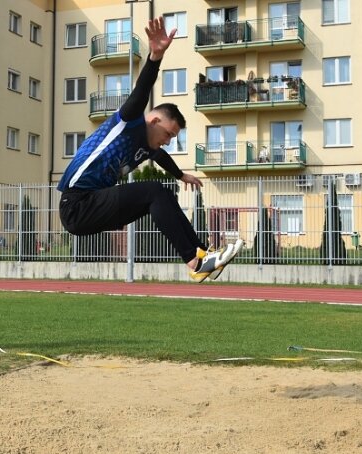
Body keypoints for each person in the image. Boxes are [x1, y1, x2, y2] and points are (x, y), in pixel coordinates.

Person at [57, 17, 243, 282]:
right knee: (155, 191)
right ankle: (194, 260)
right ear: (154, 120)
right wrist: (155, 57)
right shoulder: (129, 121)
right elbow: (141, 91)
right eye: (168, 133)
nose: (167, 140)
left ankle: (201, 256)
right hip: (76, 204)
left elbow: (160, 155)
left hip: (93, 205)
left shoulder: (146, 146)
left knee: (162, 195)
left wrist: (181, 176)